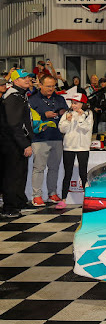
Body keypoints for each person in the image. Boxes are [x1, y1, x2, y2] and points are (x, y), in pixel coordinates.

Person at [28, 74, 69, 207]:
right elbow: (27, 119)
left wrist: (64, 113)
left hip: (57, 137)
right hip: (39, 138)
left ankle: (52, 193)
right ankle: (37, 196)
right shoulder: (32, 100)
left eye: (53, 86)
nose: (51, 89)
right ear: (40, 85)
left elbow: (67, 113)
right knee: (39, 168)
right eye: (48, 86)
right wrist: (43, 115)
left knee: (54, 168)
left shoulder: (60, 98)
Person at [0, 70, 34, 218]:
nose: (27, 80)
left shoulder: (20, 95)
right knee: (12, 175)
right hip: (11, 143)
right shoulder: (13, 97)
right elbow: (14, 124)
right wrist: (24, 144)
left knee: (20, 173)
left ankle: (19, 201)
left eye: (28, 77)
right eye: (23, 78)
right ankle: (9, 207)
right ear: (15, 81)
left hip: (16, 141)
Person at [57, 93, 93, 209]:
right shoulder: (67, 114)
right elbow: (62, 129)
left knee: (83, 173)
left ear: (82, 104)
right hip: (68, 147)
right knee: (67, 173)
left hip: (83, 147)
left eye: (76, 103)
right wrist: (68, 121)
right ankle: (63, 199)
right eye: (72, 103)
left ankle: (87, 198)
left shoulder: (88, 114)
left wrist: (81, 117)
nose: (74, 105)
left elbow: (86, 128)